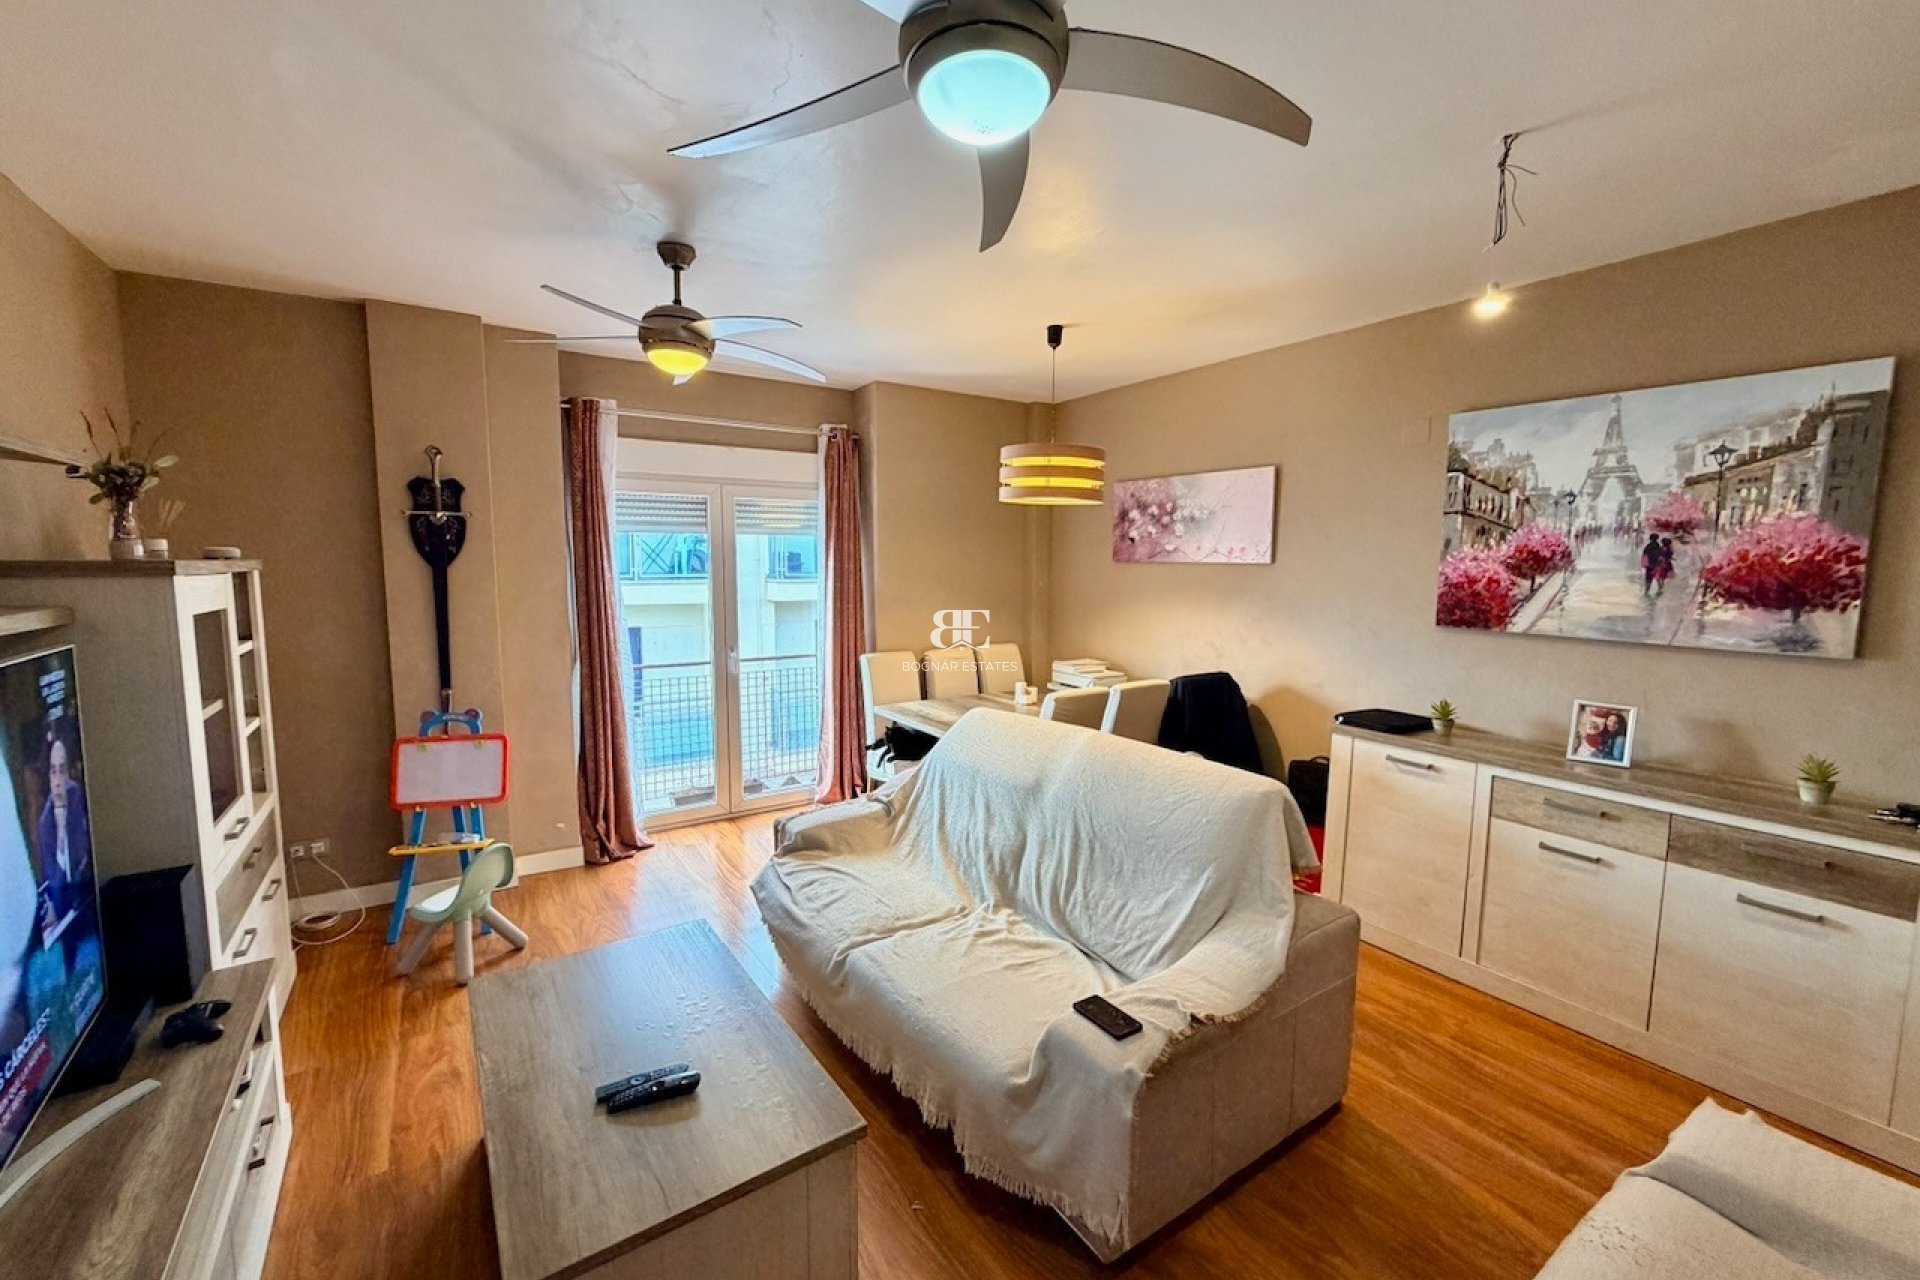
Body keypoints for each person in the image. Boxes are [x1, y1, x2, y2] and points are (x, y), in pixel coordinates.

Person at [35, 721, 93, 940]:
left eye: (62, 771)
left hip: (87, 905)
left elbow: (83, 862)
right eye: (53, 772)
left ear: (70, 774)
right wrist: (60, 834)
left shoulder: (79, 799)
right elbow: (57, 889)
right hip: (65, 916)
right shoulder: (46, 823)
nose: (58, 781)